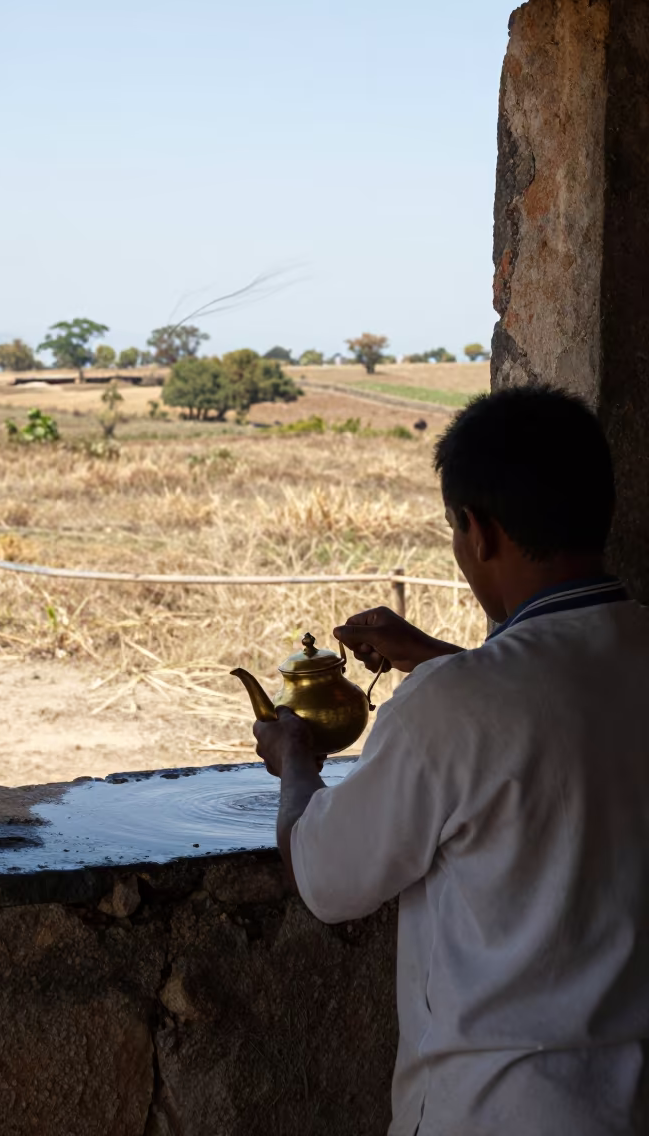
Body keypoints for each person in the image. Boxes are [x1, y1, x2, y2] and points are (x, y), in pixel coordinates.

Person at [254, 385, 649, 1136]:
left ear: (478, 531)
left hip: (497, 1108)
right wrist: (443, 660)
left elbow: (324, 877)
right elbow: (564, 706)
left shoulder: (452, 705)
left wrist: (295, 761)